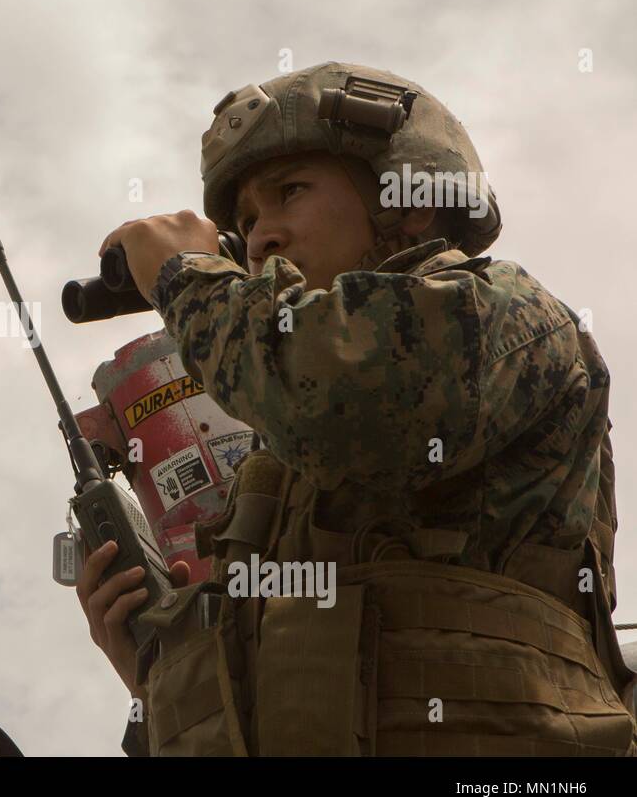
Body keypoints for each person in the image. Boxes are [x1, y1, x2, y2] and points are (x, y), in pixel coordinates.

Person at [83, 61, 637, 756]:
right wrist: (157, 666)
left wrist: (186, 276)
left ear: (408, 204)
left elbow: (331, 402)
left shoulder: (498, 311)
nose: (260, 238)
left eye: (289, 194)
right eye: (247, 223)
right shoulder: (279, 461)